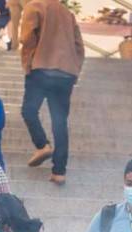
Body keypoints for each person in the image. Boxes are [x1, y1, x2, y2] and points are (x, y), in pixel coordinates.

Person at [19, 0, 85, 185]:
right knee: (60, 121)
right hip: (66, 73)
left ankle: (42, 145)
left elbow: (27, 37)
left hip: (41, 67)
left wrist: (29, 60)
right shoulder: (67, 13)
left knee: (29, 111)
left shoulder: (34, 6)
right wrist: (75, 67)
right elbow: (79, 45)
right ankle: (59, 171)